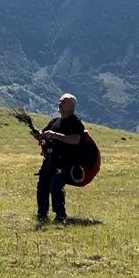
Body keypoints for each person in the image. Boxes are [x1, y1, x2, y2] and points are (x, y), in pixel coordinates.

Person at [31, 93, 85, 224]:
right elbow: (44, 136)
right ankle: (42, 215)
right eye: (60, 101)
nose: (60, 103)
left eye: (64, 102)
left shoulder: (75, 122)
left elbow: (75, 139)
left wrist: (55, 135)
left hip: (64, 162)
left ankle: (60, 216)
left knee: (55, 187)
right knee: (42, 186)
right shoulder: (54, 121)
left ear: (72, 106)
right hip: (49, 160)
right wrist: (37, 135)